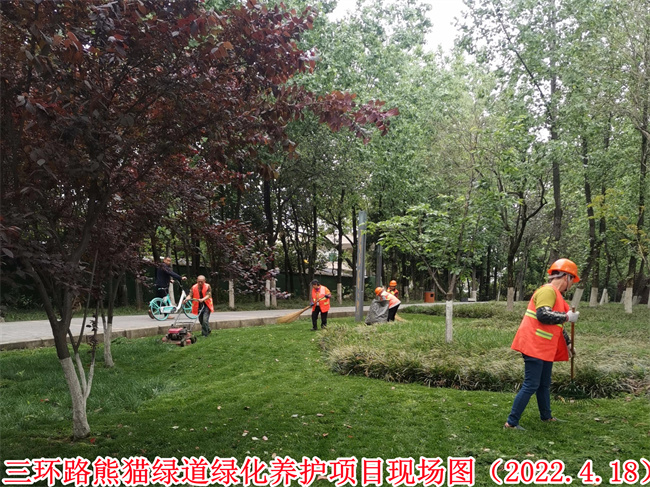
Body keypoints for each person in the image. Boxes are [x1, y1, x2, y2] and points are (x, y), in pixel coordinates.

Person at [504, 258, 581, 430]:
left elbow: (557, 326)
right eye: (572, 281)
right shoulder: (548, 291)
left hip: (544, 347)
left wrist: (568, 344)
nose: (571, 285)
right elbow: (543, 315)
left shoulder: (557, 295)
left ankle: (546, 416)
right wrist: (567, 317)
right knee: (531, 384)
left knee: (544, 384)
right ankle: (511, 423)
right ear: (566, 277)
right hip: (534, 345)